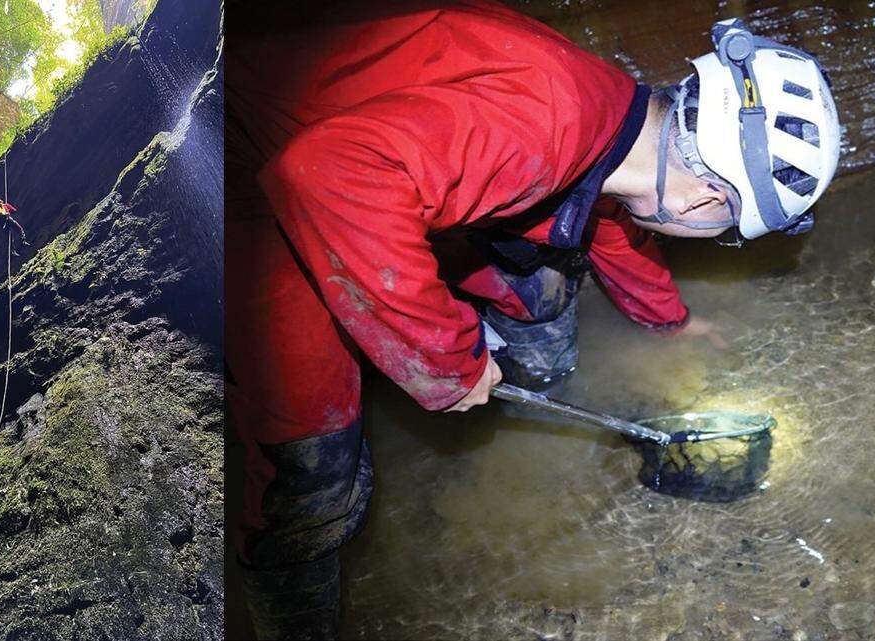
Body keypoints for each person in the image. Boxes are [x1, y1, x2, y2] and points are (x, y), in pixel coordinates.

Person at [225, 2, 839, 638]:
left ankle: (510, 390)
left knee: (543, 282)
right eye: (726, 232)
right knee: (313, 466)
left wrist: (670, 321)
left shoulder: (612, 117)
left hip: (361, 153)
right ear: (705, 198)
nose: (714, 237)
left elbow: (610, 225)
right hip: (248, 168)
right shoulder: (542, 123)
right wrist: (448, 363)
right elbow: (323, 176)